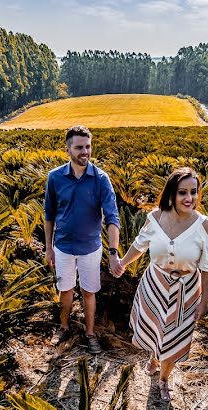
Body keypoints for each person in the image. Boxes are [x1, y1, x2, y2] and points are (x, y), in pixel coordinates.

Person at [111, 167, 208, 401]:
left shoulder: (204, 226)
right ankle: (153, 358)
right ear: (171, 194)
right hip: (155, 284)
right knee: (157, 329)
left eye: (194, 192)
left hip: (187, 290)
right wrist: (123, 263)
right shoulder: (156, 217)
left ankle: (163, 379)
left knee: (175, 335)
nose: (189, 198)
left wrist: (205, 301)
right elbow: (139, 245)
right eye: (183, 192)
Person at [44, 125, 121, 354]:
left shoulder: (101, 179)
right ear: (68, 149)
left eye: (88, 146)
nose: (85, 152)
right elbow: (48, 215)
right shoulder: (55, 178)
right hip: (63, 248)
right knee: (65, 290)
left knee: (89, 292)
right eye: (79, 147)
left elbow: (112, 216)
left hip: (91, 248)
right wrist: (49, 248)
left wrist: (113, 252)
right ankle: (64, 327)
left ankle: (89, 333)